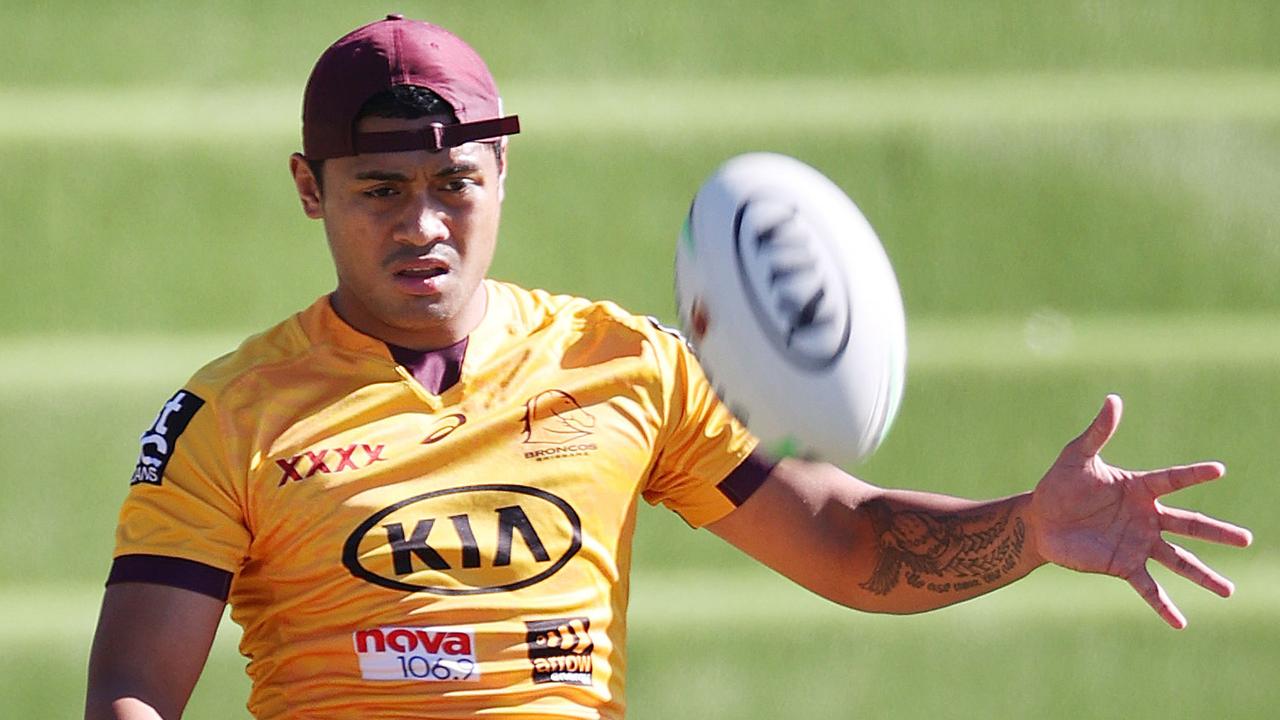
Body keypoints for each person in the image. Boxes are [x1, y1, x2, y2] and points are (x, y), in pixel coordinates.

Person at [84, 14, 1253, 720]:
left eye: (456, 187)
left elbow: (848, 545)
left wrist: (1031, 531)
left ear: (502, 180)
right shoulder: (226, 415)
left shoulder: (622, 363)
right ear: (309, 190)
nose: (424, 226)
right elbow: (135, 690)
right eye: (379, 191)